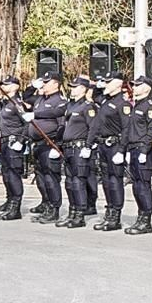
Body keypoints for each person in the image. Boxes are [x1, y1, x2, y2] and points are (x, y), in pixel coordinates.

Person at [94, 76, 131, 233]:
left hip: (115, 145)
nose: (106, 85)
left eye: (108, 82)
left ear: (117, 84)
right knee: (107, 181)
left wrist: (122, 150)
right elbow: (95, 96)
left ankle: (115, 216)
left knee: (115, 181)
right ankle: (109, 211)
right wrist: (97, 85)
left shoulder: (122, 104)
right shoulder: (105, 101)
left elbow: (127, 128)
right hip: (103, 145)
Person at [124, 77, 152, 236]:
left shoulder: (150, 106)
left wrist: (145, 151)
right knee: (136, 185)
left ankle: (146, 218)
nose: (135, 87)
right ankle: (141, 216)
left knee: (143, 185)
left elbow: (151, 131)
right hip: (133, 148)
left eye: (138, 85)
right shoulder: (136, 105)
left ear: (146, 88)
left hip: (142, 150)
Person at [29, 74, 67, 225]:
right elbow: (25, 98)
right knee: (41, 178)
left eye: (46, 83)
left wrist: (58, 146)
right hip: (38, 144)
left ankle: (54, 209)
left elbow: (62, 124)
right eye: (42, 82)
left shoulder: (60, 102)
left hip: (50, 143)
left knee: (51, 179)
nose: (43, 85)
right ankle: (46, 205)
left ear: (56, 85)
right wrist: (33, 86)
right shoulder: (40, 99)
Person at [61, 75, 97, 229]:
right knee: (69, 182)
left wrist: (88, 146)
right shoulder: (71, 106)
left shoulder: (87, 107)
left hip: (79, 147)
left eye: (75, 87)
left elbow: (93, 128)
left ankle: (80, 214)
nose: (72, 89)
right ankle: (72, 211)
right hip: (68, 147)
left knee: (78, 181)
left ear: (83, 89)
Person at [0, 75, 28, 220]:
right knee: (6, 174)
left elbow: (27, 123)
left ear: (15, 86)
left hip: (14, 142)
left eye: (7, 85)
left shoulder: (17, 103)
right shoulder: (5, 103)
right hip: (5, 141)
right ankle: (9, 200)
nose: (3, 87)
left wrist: (21, 140)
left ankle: (16, 207)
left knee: (13, 175)